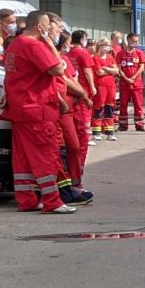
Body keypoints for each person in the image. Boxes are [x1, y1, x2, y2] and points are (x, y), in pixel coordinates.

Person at [3, 11, 76, 213]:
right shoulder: (34, 45)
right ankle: (52, 201)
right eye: (50, 28)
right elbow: (56, 69)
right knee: (45, 155)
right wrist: (50, 44)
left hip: (20, 108)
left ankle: (27, 200)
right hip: (37, 109)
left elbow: (17, 75)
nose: (55, 32)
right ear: (41, 27)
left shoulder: (16, 44)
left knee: (23, 159)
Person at [49, 21, 93, 205]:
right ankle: (66, 188)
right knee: (66, 148)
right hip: (58, 108)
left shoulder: (64, 58)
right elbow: (63, 79)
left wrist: (80, 94)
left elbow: (69, 78)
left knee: (72, 147)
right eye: (58, 28)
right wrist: (84, 93)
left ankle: (73, 184)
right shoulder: (52, 56)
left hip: (67, 107)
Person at [66, 30, 97, 151]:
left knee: (74, 114)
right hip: (82, 88)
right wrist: (92, 86)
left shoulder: (68, 53)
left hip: (71, 87)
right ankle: (84, 137)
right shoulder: (83, 53)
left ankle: (76, 136)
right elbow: (87, 71)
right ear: (82, 39)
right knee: (84, 115)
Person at [116, 33, 145, 131]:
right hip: (124, 84)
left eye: (136, 41)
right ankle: (123, 125)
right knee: (123, 105)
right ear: (128, 40)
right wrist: (126, 78)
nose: (135, 43)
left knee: (138, 105)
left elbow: (142, 67)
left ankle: (139, 125)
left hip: (136, 83)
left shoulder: (139, 53)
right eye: (133, 41)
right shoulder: (120, 54)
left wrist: (133, 78)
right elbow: (119, 68)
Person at [92, 40, 119, 141]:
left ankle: (109, 132)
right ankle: (96, 132)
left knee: (110, 109)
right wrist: (111, 70)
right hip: (100, 86)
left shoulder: (110, 57)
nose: (108, 47)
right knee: (99, 108)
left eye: (109, 45)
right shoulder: (95, 58)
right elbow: (99, 72)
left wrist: (106, 69)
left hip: (111, 86)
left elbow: (116, 70)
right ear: (100, 46)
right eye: (106, 45)